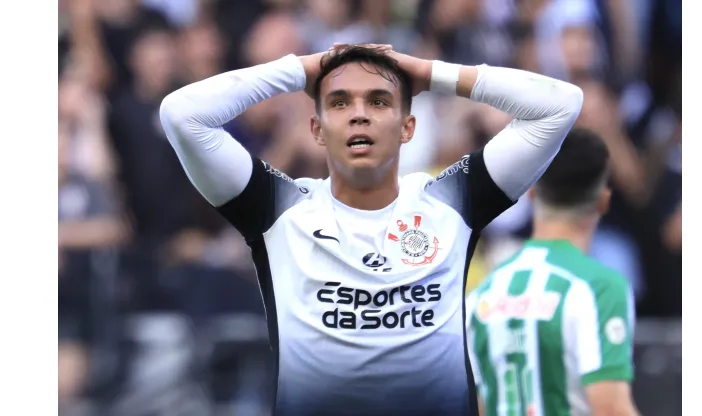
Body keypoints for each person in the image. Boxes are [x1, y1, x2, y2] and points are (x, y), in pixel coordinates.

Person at [159, 43, 583, 416]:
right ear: (316, 130)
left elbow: (561, 104)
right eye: (340, 102)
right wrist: (305, 68)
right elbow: (182, 114)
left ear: (407, 128)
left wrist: (428, 72)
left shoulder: (450, 201)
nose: (359, 114)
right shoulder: (280, 209)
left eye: (379, 101)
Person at [466, 128, 640, 416]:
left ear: (531, 193)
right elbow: (611, 408)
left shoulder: (483, 293)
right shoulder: (599, 287)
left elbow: (479, 407)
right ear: (603, 201)